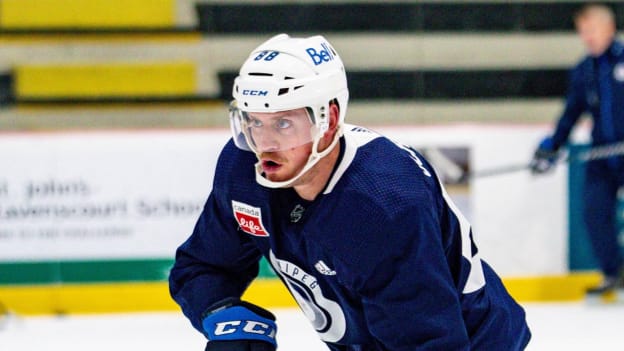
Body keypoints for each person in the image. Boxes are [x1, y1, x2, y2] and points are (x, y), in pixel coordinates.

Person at [169, 33, 531, 350]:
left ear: (327, 120)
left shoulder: (384, 201)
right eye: (252, 122)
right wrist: (219, 312)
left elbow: (428, 341)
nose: (264, 143)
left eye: (283, 123)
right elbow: (201, 266)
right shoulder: (243, 169)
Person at [530, 3, 624, 297]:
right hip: (602, 154)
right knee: (594, 211)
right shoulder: (584, 70)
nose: (587, 38)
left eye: (591, 30)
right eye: (582, 32)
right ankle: (614, 273)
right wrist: (551, 145)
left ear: (609, 28)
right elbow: (571, 113)